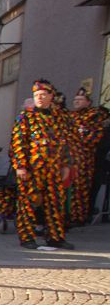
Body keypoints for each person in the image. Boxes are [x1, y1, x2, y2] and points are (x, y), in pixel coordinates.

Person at [11, 79, 74, 249]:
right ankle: (27, 237)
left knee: (55, 203)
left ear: (51, 96)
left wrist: (67, 166)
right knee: (28, 203)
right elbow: (18, 143)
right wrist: (20, 166)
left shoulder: (60, 118)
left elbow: (67, 143)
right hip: (32, 169)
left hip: (54, 169)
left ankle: (55, 237)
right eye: (36, 95)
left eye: (43, 95)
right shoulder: (26, 117)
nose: (39, 98)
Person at [68, 88, 108, 226]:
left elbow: (94, 137)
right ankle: (66, 215)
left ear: (88, 102)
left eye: (80, 100)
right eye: (75, 100)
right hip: (68, 158)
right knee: (68, 186)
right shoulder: (70, 116)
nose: (76, 102)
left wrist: (78, 138)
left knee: (81, 188)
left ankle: (79, 217)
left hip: (84, 159)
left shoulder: (94, 116)